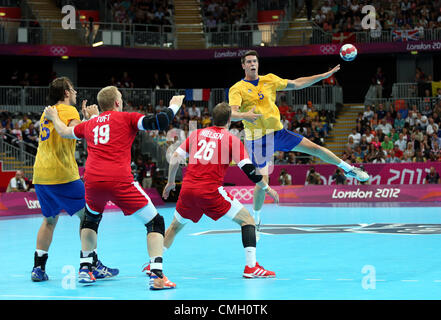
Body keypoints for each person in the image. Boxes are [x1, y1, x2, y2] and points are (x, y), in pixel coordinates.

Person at [44, 86, 185, 290]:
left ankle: (85, 268)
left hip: (92, 181)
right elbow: (161, 121)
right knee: (155, 222)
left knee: (90, 220)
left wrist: (54, 116)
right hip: (119, 180)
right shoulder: (126, 118)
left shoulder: (90, 123)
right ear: (118, 102)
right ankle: (157, 275)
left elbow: (65, 132)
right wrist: (174, 105)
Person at [228, 50, 369, 228]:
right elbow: (231, 113)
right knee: (262, 182)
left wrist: (324, 76)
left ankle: (349, 169)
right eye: (248, 62)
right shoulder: (237, 88)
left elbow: (297, 83)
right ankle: (255, 219)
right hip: (257, 139)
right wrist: (244, 115)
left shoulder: (269, 79)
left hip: (278, 133)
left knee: (314, 148)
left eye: (254, 61)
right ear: (243, 66)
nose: (252, 64)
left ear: (258, 63)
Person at [145, 102, 279, 279]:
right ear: (230, 119)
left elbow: (175, 157)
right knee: (248, 221)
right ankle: (251, 267)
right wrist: (267, 188)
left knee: (174, 227)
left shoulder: (196, 134)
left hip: (188, 190)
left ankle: (153, 264)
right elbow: (249, 171)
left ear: (212, 118)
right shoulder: (232, 139)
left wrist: (170, 183)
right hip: (210, 191)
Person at [31, 77, 117, 283]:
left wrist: (84, 120)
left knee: (49, 220)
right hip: (62, 174)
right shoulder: (68, 111)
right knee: (89, 216)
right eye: (72, 88)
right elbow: (78, 133)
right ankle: (90, 264)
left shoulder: (47, 112)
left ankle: (38, 268)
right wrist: (90, 119)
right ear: (66, 93)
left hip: (41, 175)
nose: (76, 91)